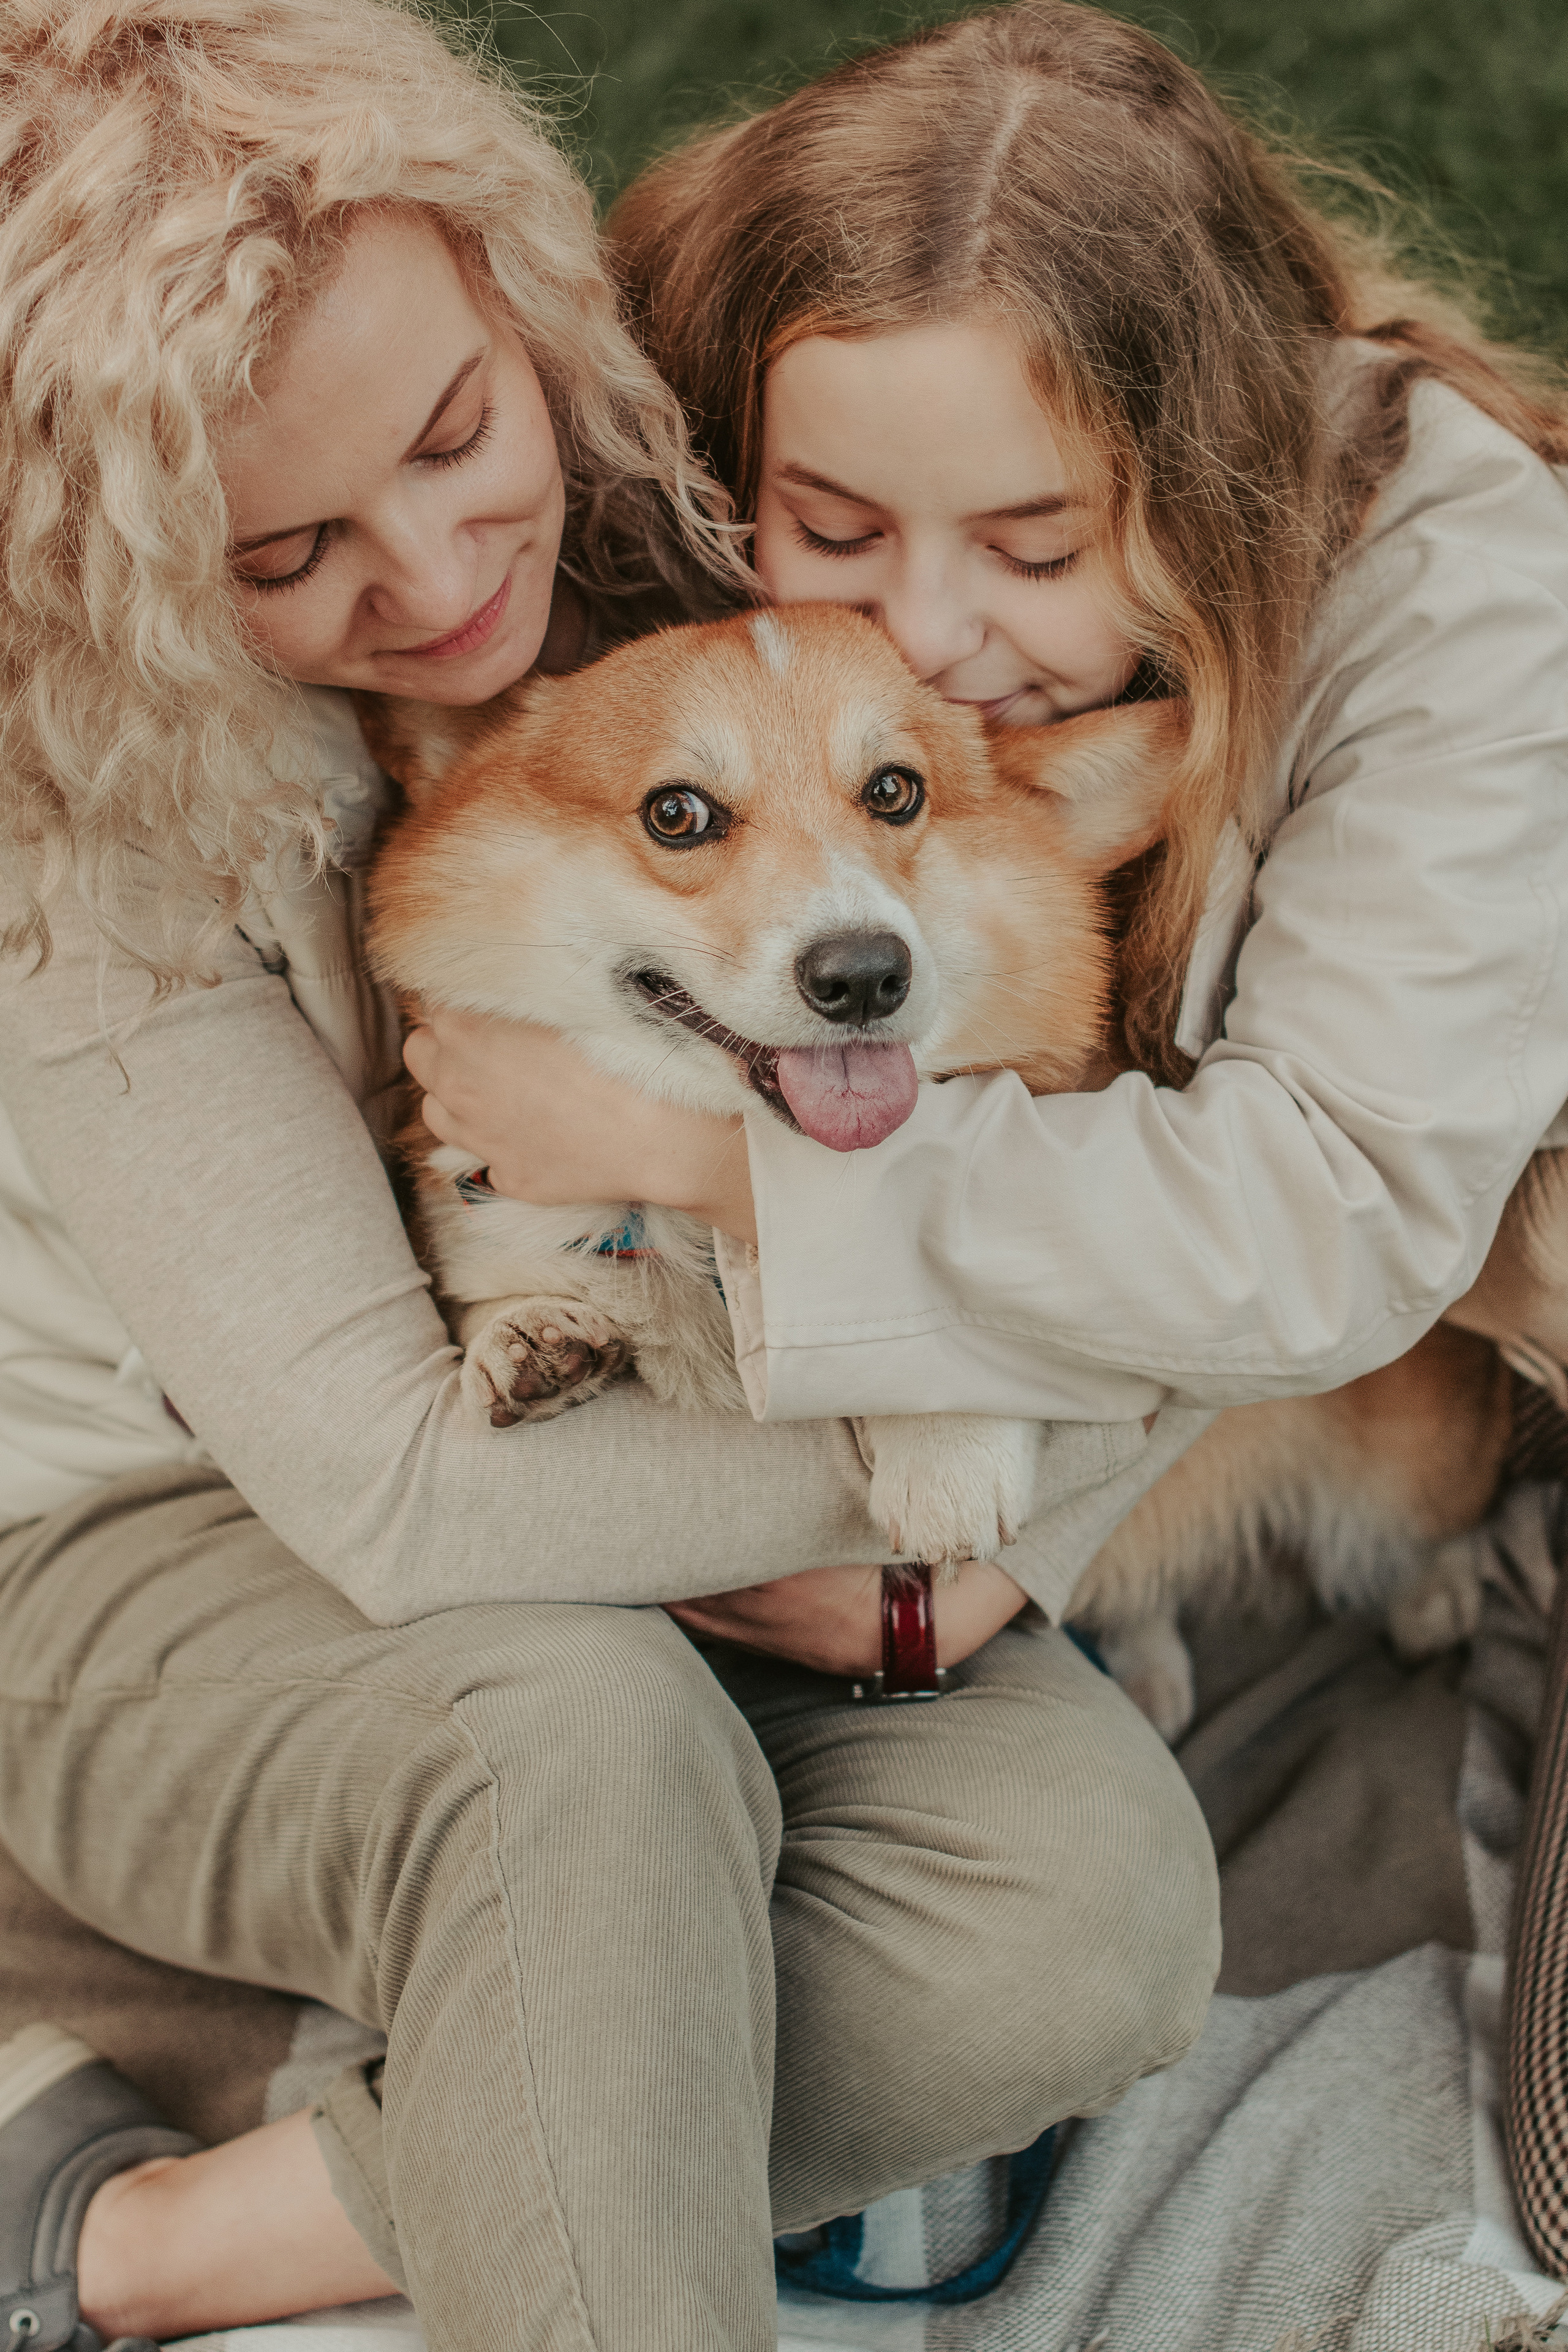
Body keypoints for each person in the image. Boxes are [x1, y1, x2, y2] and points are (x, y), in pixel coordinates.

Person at [0, 4, 1221, 2348]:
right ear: (126, 562)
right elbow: (405, 1504)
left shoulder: (711, 521)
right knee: (587, 1746)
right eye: (286, 547)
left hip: (689, 1405)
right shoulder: (81, 851)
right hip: (165, 1545)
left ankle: (156, 2224)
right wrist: (940, 1479)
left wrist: (1003, 1531)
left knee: (1080, 1920)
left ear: (519, 295)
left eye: (463, 430)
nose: (448, 567)